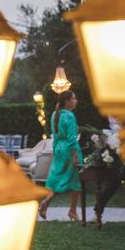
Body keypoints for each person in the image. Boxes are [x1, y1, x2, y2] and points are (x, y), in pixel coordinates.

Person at [38, 90, 83, 221]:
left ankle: (47, 203)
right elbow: (72, 138)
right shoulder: (69, 116)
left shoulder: (54, 115)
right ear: (67, 101)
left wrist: (56, 149)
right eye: (74, 99)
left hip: (58, 148)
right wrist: (75, 155)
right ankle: (72, 211)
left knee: (58, 179)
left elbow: (55, 135)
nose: (76, 101)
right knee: (75, 180)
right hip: (69, 150)